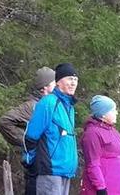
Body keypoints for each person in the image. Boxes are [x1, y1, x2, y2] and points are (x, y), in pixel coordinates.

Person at [0, 67, 57, 195]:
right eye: (54, 84)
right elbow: (5, 122)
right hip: (37, 168)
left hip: (51, 169)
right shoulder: (32, 106)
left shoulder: (53, 106)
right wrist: (27, 141)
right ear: (44, 88)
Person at [24, 63, 79, 195]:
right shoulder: (48, 103)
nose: (73, 83)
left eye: (76, 80)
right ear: (58, 82)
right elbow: (31, 136)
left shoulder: (69, 107)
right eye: (69, 79)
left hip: (65, 172)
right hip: (50, 171)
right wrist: (30, 160)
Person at [81, 95, 120, 195]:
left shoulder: (113, 130)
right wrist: (100, 187)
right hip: (105, 187)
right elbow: (93, 163)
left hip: (119, 186)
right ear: (103, 114)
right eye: (113, 110)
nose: (116, 112)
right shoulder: (92, 133)